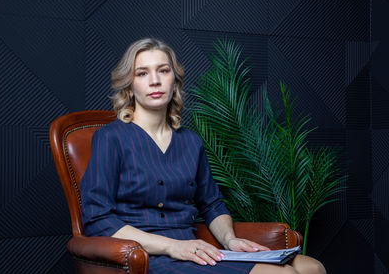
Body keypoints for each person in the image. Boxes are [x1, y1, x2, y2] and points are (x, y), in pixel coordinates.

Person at [80, 37, 326, 274]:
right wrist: (172, 246)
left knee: (311, 267)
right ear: (130, 86)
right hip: (147, 255)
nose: (154, 81)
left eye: (163, 71)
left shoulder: (190, 141)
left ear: (174, 80)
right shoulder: (111, 138)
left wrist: (230, 240)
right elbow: (97, 219)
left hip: (195, 249)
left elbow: (212, 204)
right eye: (142, 73)